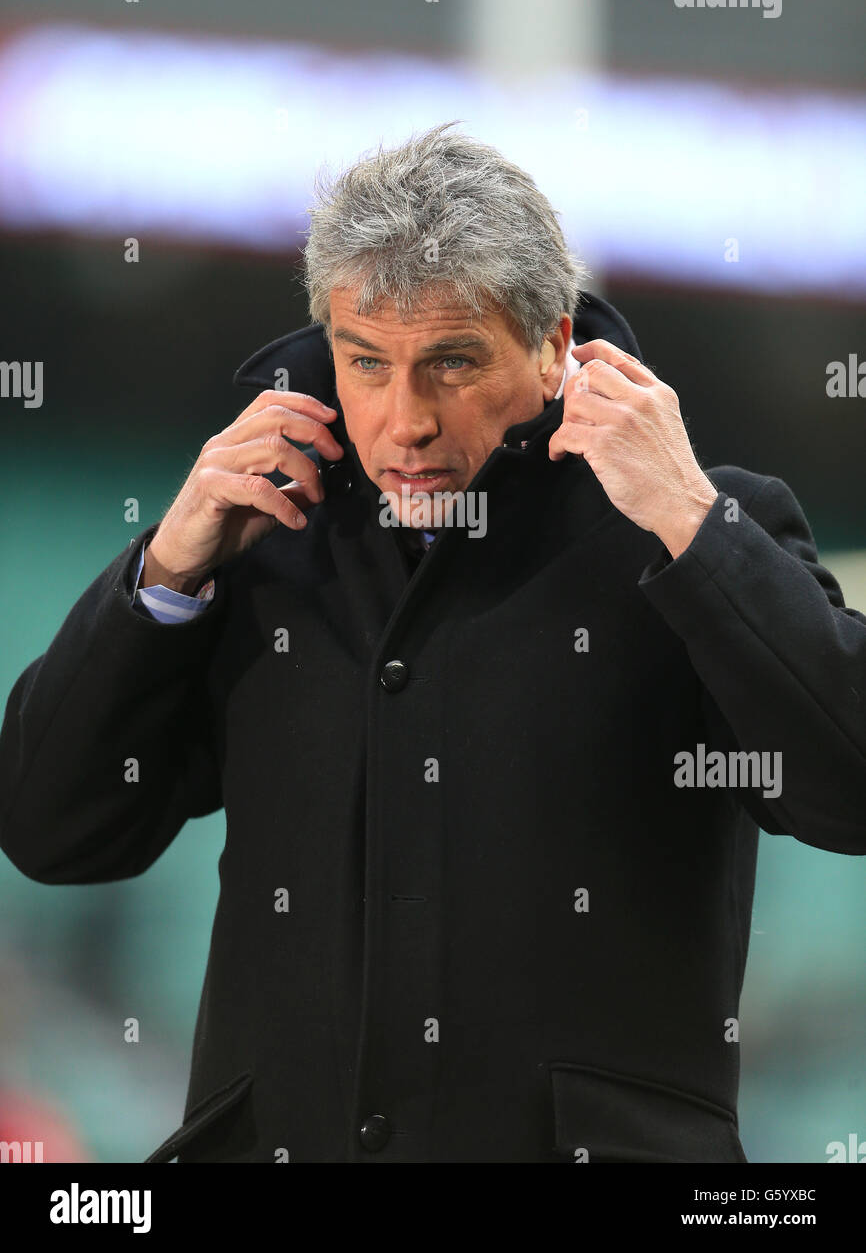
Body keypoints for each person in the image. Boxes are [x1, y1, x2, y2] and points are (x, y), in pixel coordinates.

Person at [1, 123, 865, 1164]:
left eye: (451, 363)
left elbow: (845, 784)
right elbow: (49, 826)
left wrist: (691, 524)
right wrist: (162, 575)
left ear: (551, 347)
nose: (402, 418)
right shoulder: (261, 543)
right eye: (365, 363)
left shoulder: (695, 531)